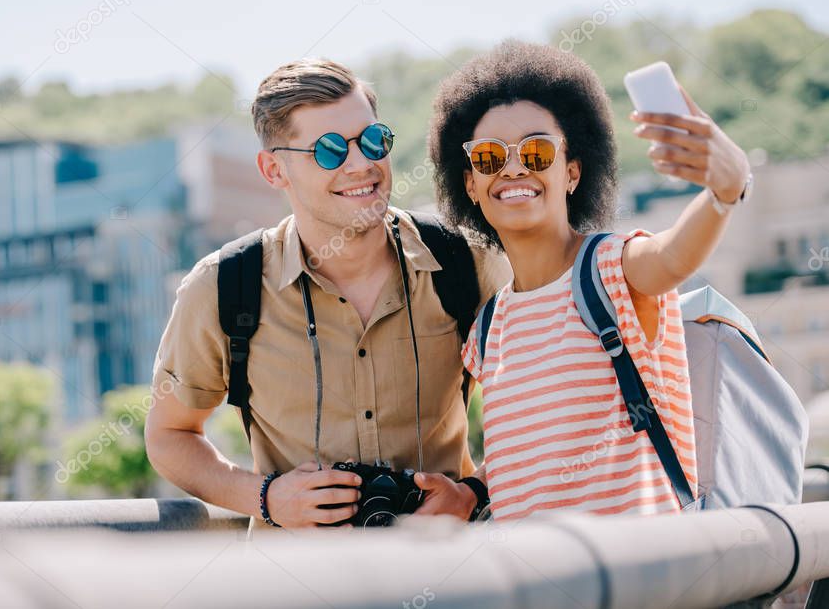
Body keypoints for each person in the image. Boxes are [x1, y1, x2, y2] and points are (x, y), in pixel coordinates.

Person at [145, 58, 510, 528]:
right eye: (330, 150)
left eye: (373, 141)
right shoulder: (222, 288)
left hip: (451, 580)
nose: (362, 165)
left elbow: (546, 405)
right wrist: (266, 497)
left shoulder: (468, 263)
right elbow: (170, 436)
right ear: (274, 170)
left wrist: (473, 492)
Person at [429, 41, 752, 520]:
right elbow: (527, 463)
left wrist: (727, 189)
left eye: (537, 152)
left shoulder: (610, 269)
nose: (513, 167)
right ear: (471, 184)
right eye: (489, 157)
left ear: (572, 172)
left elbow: (672, 257)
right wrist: (472, 491)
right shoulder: (487, 328)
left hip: (642, 584)